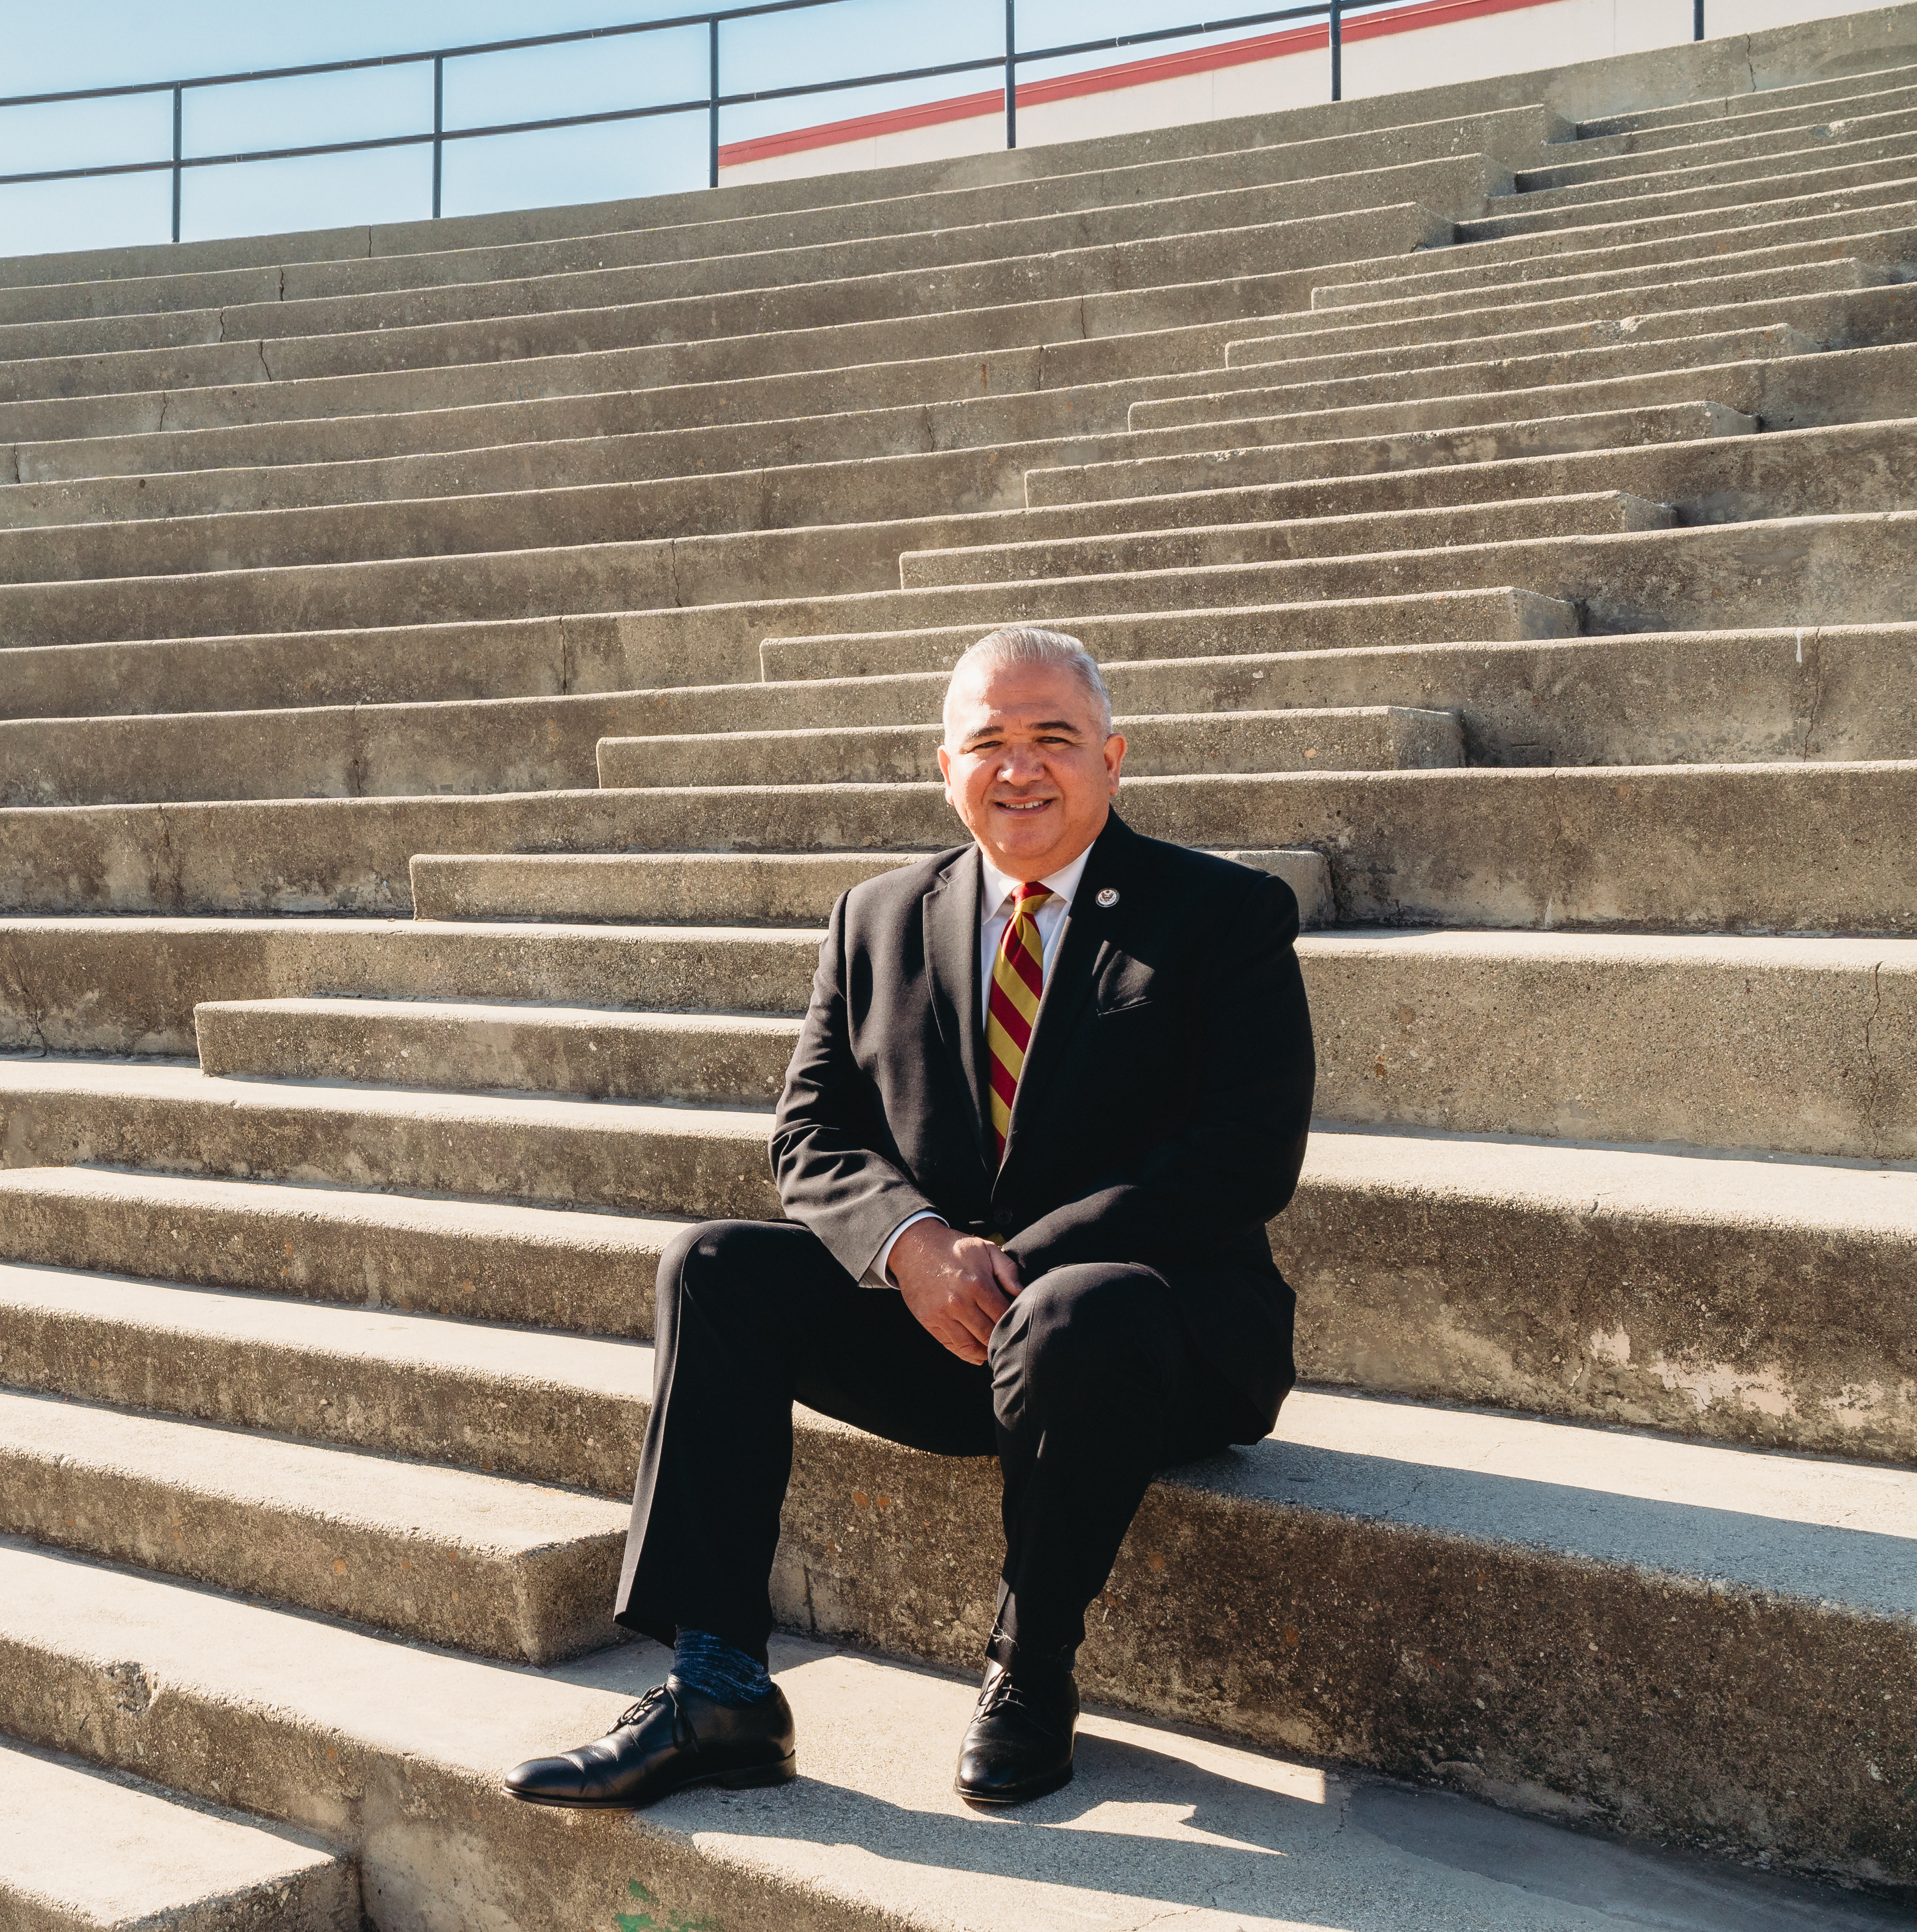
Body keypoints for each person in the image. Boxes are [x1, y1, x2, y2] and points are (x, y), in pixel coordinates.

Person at [504, 624, 1316, 1810]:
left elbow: (1245, 1153)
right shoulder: (876, 917)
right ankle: (716, 1681)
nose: (1020, 766)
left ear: (1113, 758)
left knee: (1078, 1309)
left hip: (1151, 1342)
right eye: (989, 741)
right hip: (947, 1334)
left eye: (1053, 737)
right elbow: (810, 1136)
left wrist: (1014, 1263)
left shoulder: (1224, 914)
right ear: (947, 768)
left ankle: (1030, 1672)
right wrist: (917, 1249)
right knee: (714, 1266)